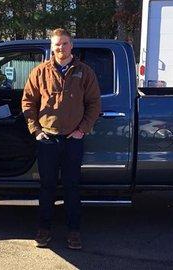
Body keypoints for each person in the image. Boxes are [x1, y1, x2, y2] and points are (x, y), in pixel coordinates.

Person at [21, 28, 101, 250]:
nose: (61, 48)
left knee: (72, 187)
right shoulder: (40, 72)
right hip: (47, 139)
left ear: (72, 46)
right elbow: (28, 102)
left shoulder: (85, 72)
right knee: (47, 187)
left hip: (73, 139)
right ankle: (44, 230)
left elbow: (94, 104)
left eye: (65, 44)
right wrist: (36, 130)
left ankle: (74, 232)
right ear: (52, 47)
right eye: (57, 44)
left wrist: (82, 130)